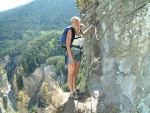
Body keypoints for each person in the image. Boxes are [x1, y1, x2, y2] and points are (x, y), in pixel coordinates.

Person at [66, 16, 93, 99]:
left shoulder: (80, 31)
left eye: (76, 21)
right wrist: (71, 58)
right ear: (72, 23)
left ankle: (75, 90)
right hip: (72, 55)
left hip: (79, 55)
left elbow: (83, 35)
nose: (75, 23)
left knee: (75, 74)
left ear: (79, 21)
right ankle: (71, 93)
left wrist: (90, 28)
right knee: (71, 74)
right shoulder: (71, 31)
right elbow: (67, 45)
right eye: (73, 22)